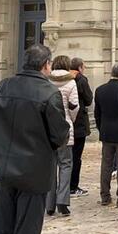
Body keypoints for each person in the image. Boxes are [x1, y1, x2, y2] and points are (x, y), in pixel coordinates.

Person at [0, 44, 70, 234]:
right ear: (46, 65)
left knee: (2, 228)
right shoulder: (48, 92)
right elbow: (59, 135)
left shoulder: (2, 86)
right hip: (34, 172)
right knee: (27, 230)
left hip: (5, 168)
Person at [94, 63, 118, 207]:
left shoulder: (100, 90)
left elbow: (97, 114)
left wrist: (101, 128)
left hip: (106, 131)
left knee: (106, 164)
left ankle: (105, 195)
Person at [46, 55, 79, 216]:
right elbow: (74, 106)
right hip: (65, 127)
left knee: (51, 165)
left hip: (48, 128)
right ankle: (62, 201)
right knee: (66, 164)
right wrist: (70, 120)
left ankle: (49, 203)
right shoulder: (71, 82)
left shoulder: (47, 81)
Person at [70, 57, 93, 197]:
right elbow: (89, 99)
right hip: (78, 122)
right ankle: (73, 186)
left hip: (65, 122)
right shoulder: (81, 80)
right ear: (79, 67)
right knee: (76, 156)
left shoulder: (64, 78)